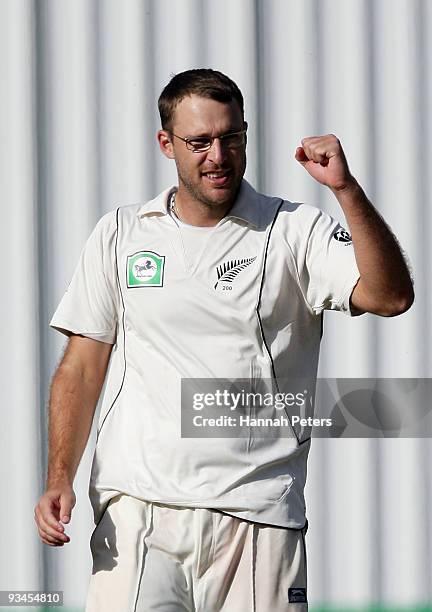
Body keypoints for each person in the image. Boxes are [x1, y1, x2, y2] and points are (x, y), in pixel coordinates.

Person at [34, 69, 414, 611]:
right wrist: (58, 477)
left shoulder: (293, 229)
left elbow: (390, 296)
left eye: (231, 138)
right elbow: (81, 366)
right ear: (166, 144)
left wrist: (345, 191)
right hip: (140, 507)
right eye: (199, 142)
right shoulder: (121, 232)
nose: (218, 155)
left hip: (258, 511)